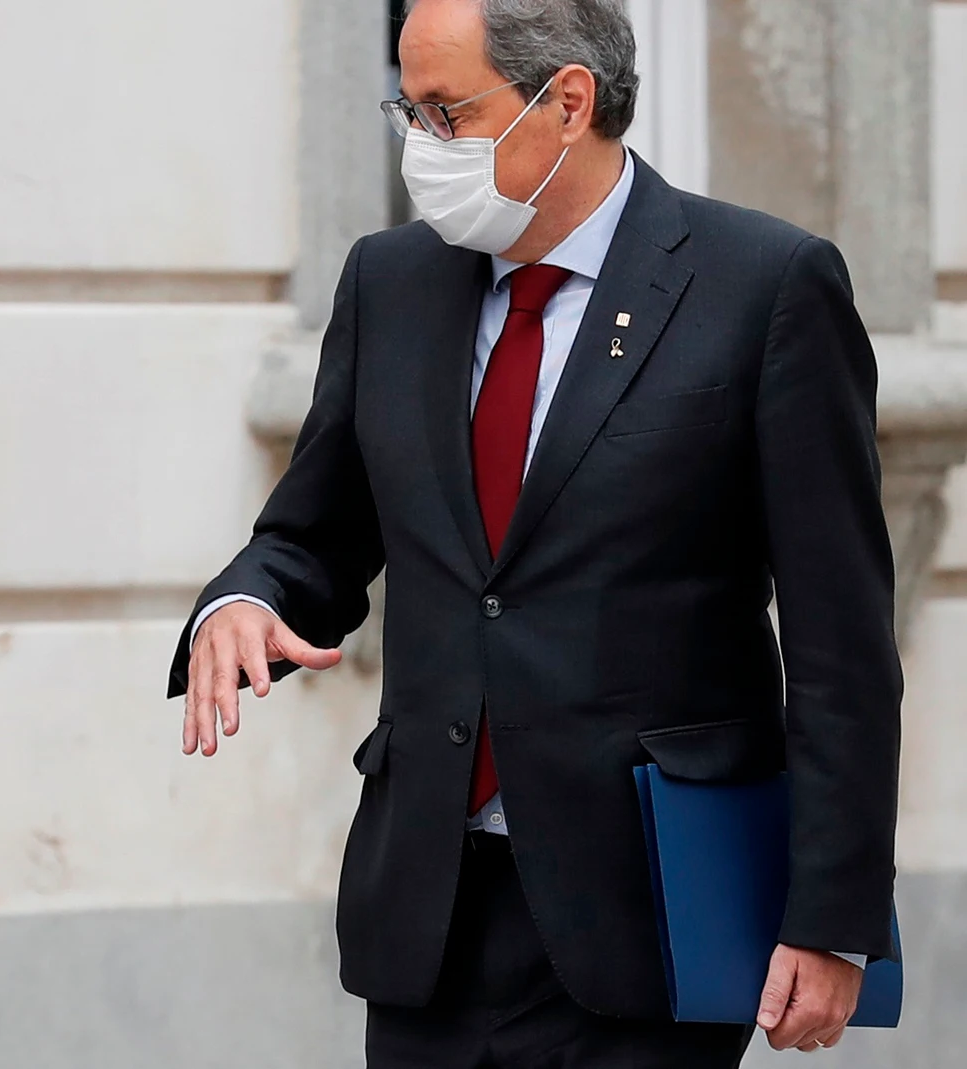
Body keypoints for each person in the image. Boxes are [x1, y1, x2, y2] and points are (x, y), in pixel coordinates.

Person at [168, 1, 901, 1066]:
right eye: (405, 109)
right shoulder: (390, 281)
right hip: (430, 908)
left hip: (648, 906)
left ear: (566, 101)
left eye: (446, 112)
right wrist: (246, 600)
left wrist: (830, 913)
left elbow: (842, 640)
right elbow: (314, 532)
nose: (421, 146)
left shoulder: (765, 285)